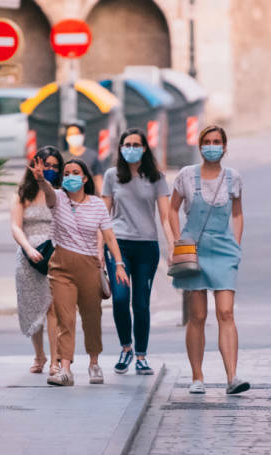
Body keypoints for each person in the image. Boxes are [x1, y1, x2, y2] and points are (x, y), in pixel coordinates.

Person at [29, 157, 129, 387]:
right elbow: (49, 193)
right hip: (61, 266)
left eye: (75, 172)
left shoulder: (96, 205)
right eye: (67, 173)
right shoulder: (58, 199)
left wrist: (120, 264)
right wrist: (42, 180)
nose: (70, 177)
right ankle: (65, 369)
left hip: (89, 267)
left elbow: (109, 236)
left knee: (92, 318)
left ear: (84, 178)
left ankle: (94, 362)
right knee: (65, 318)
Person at [169, 125, 249, 395]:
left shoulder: (233, 178)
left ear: (224, 147)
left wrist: (236, 246)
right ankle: (197, 377)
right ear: (200, 145)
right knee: (198, 315)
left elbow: (237, 214)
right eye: (207, 141)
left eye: (216, 142)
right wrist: (177, 241)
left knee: (226, 311)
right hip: (194, 249)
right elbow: (172, 209)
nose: (212, 146)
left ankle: (232, 377)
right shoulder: (186, 176)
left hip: (224, 250)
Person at [102, 128, 175, 376]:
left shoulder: (156, 178)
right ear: (120, 148)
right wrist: (99, 251)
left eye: (136, 144)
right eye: (126, 144)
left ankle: (142, 355)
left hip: (147, 247)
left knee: (141, 303)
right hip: (119, 245)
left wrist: (172, 247)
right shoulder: (112, 176)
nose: (131, 148)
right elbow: (103, 217)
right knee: (120, 298)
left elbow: (165, 217)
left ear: (144, 148)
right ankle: (126, 348)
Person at [11, 146, 63, 376]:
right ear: (34, 165)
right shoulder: (22, 193)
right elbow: (15, 226)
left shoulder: (59, 192)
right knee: (33, 308)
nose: (48, 169)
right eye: (45, 164)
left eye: (54, 166)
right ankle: (39, 355)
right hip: (28, 255)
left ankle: (54, 360)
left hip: (56, 254)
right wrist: (28, 248)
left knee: (53, 308)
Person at [64, 122, 104, 192]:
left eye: (76, 133)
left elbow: (98, 179)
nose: (74, 136)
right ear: (67, 137)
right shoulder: (63, 157)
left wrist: (103, 198)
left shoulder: (92, 155)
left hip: (88, 197)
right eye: (70, 134)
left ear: (83, 135)